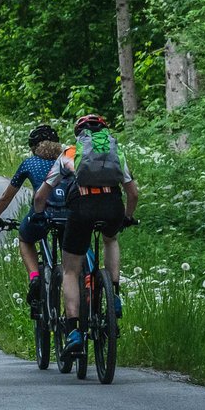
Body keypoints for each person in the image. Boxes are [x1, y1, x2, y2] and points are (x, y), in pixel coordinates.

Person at [31, 114, 139, 358]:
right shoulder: (116, 153)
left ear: (79, 134)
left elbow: (41, 195)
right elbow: (133, 193)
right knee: (110, 239)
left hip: (81, 208)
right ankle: (114, 293)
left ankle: (73, 332)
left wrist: (38, 214)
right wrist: (127, 217)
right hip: (112, 207)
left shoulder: (69, 153)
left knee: (71, 270)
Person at [0, 124, 67, 319]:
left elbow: (7, 196)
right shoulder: (68, 160)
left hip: (42, 212)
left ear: (33, 147)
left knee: (25, 238)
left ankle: (34, 277)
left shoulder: (30, 163)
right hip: (69, 213)